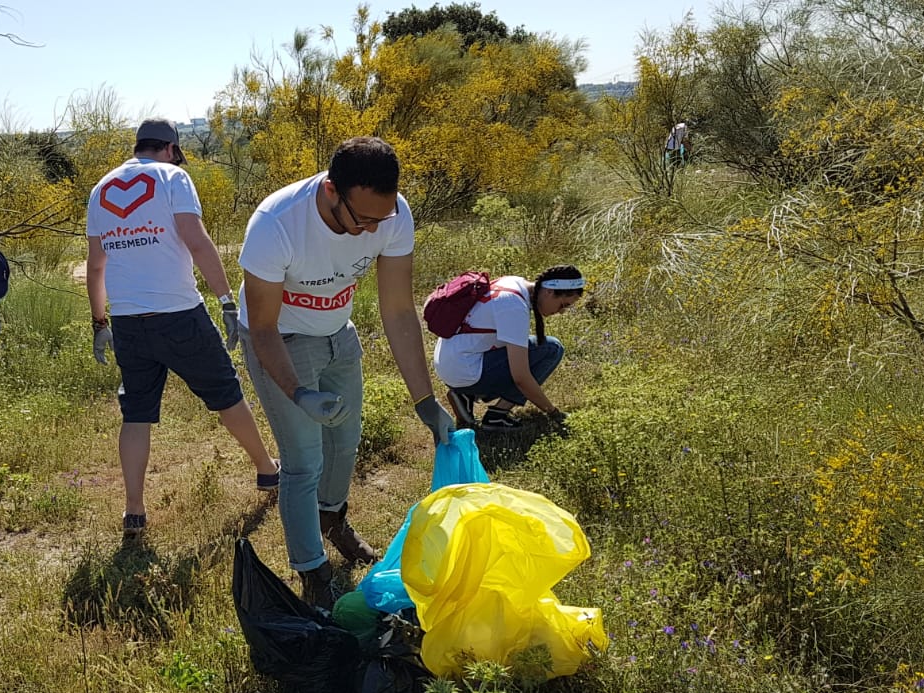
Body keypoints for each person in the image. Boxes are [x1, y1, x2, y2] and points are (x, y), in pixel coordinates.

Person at [237, 136, 455, 608]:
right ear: (332, 190)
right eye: (362, 219)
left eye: (382, 218)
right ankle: (312, 571)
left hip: (339, 334)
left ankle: (332, 521)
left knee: (345, 441)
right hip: (283, 340)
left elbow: (398, 310)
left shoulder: (392, 214)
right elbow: (263, 328)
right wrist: (298, 393)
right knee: (303, 461)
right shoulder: (276, 224)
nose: (370, 231)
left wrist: (424, 400)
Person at [86, 118, 280, 538]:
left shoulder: (101, 189)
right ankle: (267, 470)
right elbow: (196, 240)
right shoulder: (173, 177)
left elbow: (96, 264)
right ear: (172, 149)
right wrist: (227, 300)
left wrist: (100, 322)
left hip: (128, 323)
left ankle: (134, 510)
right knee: (227, 394)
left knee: (136, 413)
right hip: (179, 315)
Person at [435, 266, 584, 432]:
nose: (561, 312)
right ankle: (496, 416)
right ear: (549, 291)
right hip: (465, 369)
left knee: (538, 348)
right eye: (563, 304)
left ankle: (465, 394)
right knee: (551, 349)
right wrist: (554, 413)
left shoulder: (515, 283)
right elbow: (520, 377)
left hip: (453, 364)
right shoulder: (514, 306)